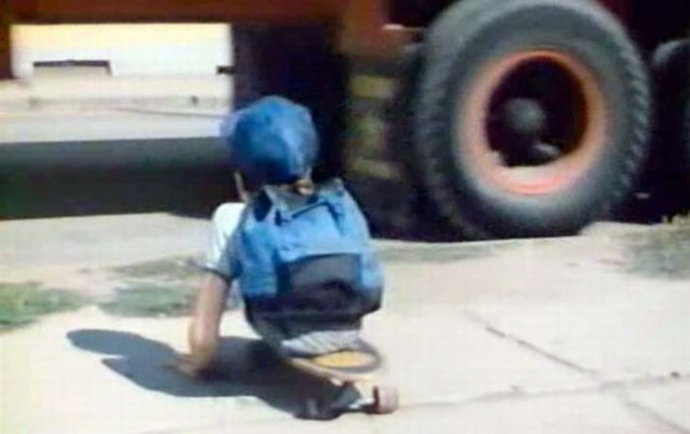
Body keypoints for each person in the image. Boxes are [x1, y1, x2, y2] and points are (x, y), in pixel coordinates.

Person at [172, 96, 384, 378]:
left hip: (283, 331)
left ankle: (284, 333)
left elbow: (207, 320)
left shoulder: (234, 218)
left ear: (241, 171)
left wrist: (197, 361)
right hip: (348, 327)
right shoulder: (340, 205)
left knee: (245, 276)